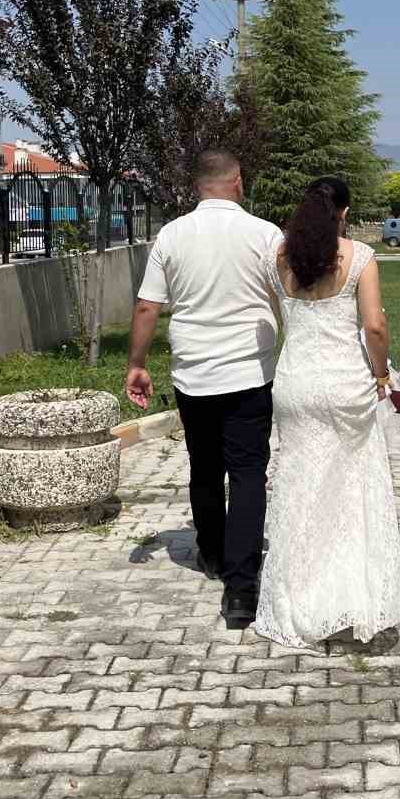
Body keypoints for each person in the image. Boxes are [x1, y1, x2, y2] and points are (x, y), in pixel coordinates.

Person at [125, 151, 282, 629]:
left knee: (206, 468)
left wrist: (136, 363)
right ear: (237, 181)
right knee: (250, 472)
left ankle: (212, 554)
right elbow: (286, 297)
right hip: (250, 372)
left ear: (198, 186)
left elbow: (148, 307)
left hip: (193, 373)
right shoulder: (265, 234)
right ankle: (241, 589)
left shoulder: (171, 235)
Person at [255, 176, 400, 650]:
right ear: (343, 212)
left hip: (295, 383)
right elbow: (375, 326)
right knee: (352, 492)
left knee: (299, 485)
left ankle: (295, 598)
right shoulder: (360, 257)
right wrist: (380, 373)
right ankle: (347, 594)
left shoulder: (278, 258)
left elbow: (281, 319)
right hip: (345, 387)